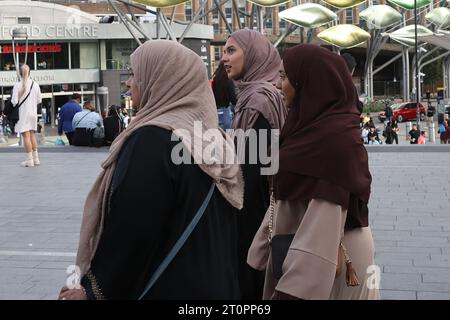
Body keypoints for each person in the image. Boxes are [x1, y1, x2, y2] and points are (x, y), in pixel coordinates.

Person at [58, 40, 244, 300]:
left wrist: (93, 292)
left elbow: (132, 233)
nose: (129, 82)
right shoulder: (214, 140)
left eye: (136, 73)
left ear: (160, 78)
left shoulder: (152, 140)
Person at [247, 44, 377, 300]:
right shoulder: (305, 126)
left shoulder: (334, 140)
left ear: (308, 81)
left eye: (284, 77)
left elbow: (323, 218)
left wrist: (293, 288)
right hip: (302, 249)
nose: (277, 84)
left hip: (332, 258)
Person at [222, 28, 287, 299]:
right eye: (224, 51)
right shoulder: (266, 93)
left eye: (232, 50)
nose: (224, 58)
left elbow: (252, 174)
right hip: (267, 214)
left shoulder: (256, 102)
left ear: (255, 55)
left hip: (253, 221)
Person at [11, 64, 42, 167]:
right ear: (29, 72)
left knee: (26, 136)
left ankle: (29, 160)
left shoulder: (17, 85)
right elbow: (39, 100)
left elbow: (14, 102)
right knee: (32, 134)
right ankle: (36, 159)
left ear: (20, 73)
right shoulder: (35, 84)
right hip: (33, 113)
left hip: (23, 113)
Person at [211, 61, 237, 130]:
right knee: (228, 137)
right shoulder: (228, 81)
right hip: (225, 112)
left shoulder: (215, 80)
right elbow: (233, 99)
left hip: (215, 113)